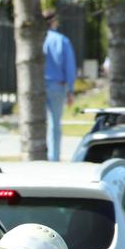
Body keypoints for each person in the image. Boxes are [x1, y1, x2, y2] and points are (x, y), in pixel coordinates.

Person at [42, 10, 76, 162]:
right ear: (54, 22)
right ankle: (53, 157)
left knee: (38, 123)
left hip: (38, 86)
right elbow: (69, 67)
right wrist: (70, 90)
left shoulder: (37, 39)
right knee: (55, 123)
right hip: (57, 85)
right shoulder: (61, 40)